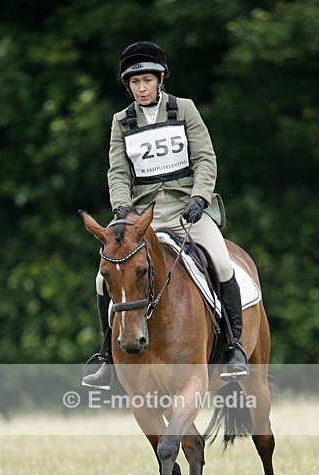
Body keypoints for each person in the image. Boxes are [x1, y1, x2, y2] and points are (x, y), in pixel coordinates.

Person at [83, 41, 248, 389]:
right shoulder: (121, 122)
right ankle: (108, 357)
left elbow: (205, 158)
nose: (141, 88)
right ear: (128, 85)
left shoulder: (184, 109)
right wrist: (121, 206)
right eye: (135, 82)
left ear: (160, 79)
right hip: (142, 217)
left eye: (147, 80)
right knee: (102, 279)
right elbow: (118, 172)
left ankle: (234, 348)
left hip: (187, 212)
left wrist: (200, 197)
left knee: (222, 263)